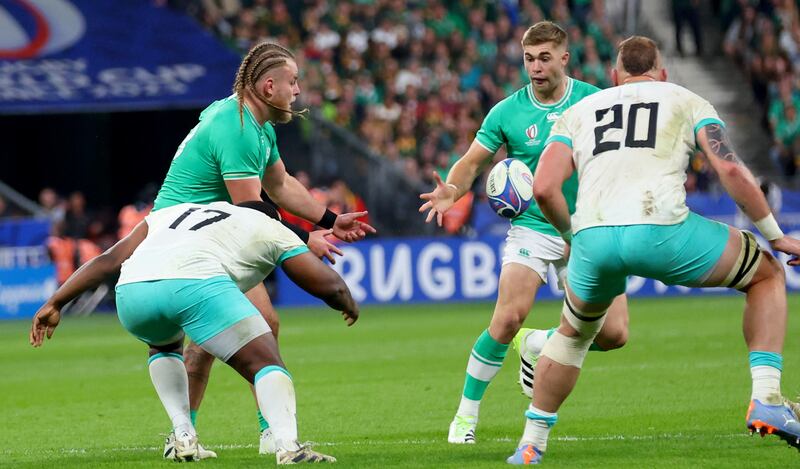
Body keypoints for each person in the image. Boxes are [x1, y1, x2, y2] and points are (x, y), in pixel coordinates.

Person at [513, 35, 800, 465]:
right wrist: (774, 235)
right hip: (662, 229)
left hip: (594, 237)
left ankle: (530, 444)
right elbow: (730, 169)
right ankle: (767, 399)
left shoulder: (578, 111)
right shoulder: (685, 99)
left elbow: (543, 187)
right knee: (766, 275)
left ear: (614, 76)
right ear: (662, 74)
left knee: (573, 336)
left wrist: (573, 236)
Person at [150, 41, 375, 456]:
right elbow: (250, 208)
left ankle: (205, 435)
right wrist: (303, 239)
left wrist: (329, 220)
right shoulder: (236, 126)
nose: (297, 91)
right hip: (181, 240)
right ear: (269, 86)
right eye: (293, 82)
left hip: (209, 235)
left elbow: (281, 185)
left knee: (246, 329)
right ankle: (229, 434)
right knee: (244, 328)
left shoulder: (257, 125)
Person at [418, 21, 629, 445]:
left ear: (564, 58)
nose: (535, 67)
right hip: (532, 226)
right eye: (529, 59)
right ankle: (464, 417)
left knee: (614, 334)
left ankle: (537, 343)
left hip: (587, 228)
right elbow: (472, 161)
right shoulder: (507, 111)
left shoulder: (594, 101)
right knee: (507, 318)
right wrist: (453, 190)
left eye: (544, 58)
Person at [30, 200, 358, 464]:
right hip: (195, 282)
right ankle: (288, 447)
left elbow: (109, 258)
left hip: (131, 293)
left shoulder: (173, 212)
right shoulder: (269, 225)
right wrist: (345, 301)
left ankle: (183, 436)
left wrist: (56, 302)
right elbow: (325, 282)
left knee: (163, 345)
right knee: (266, 362)